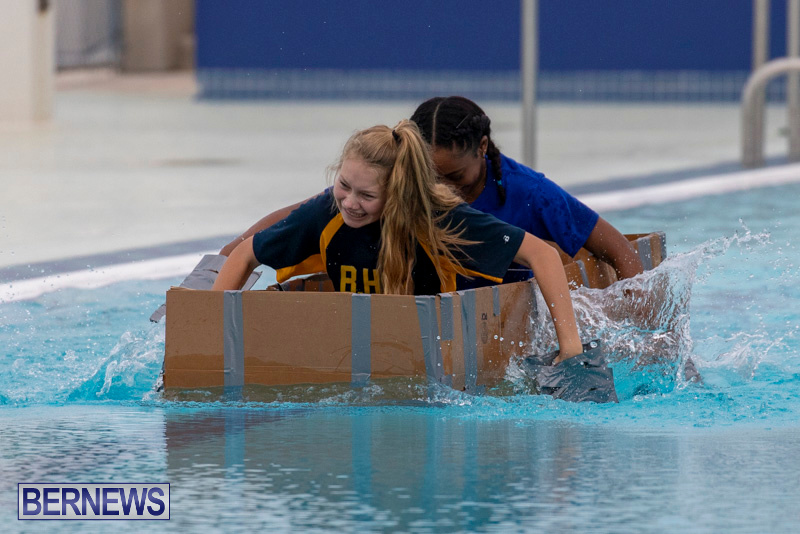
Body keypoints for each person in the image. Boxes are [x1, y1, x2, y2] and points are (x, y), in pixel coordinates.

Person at [213, 120, 585, 364]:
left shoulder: (438, 218)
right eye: (344, 185)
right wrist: (210, 335)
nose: (349, 203)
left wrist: (570, 347)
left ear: (398, 195)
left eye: (366, 196)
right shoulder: (327, 212)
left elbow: (542, 254)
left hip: (430, 354)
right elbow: (245, 255)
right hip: (360, 351)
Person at [409, 95, 643, 289]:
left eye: (456, 176)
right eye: (431, 176)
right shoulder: (405, 187)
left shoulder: (529, 192)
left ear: (482, 147)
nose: (442, 187)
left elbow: (620, 250)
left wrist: (636, 313)